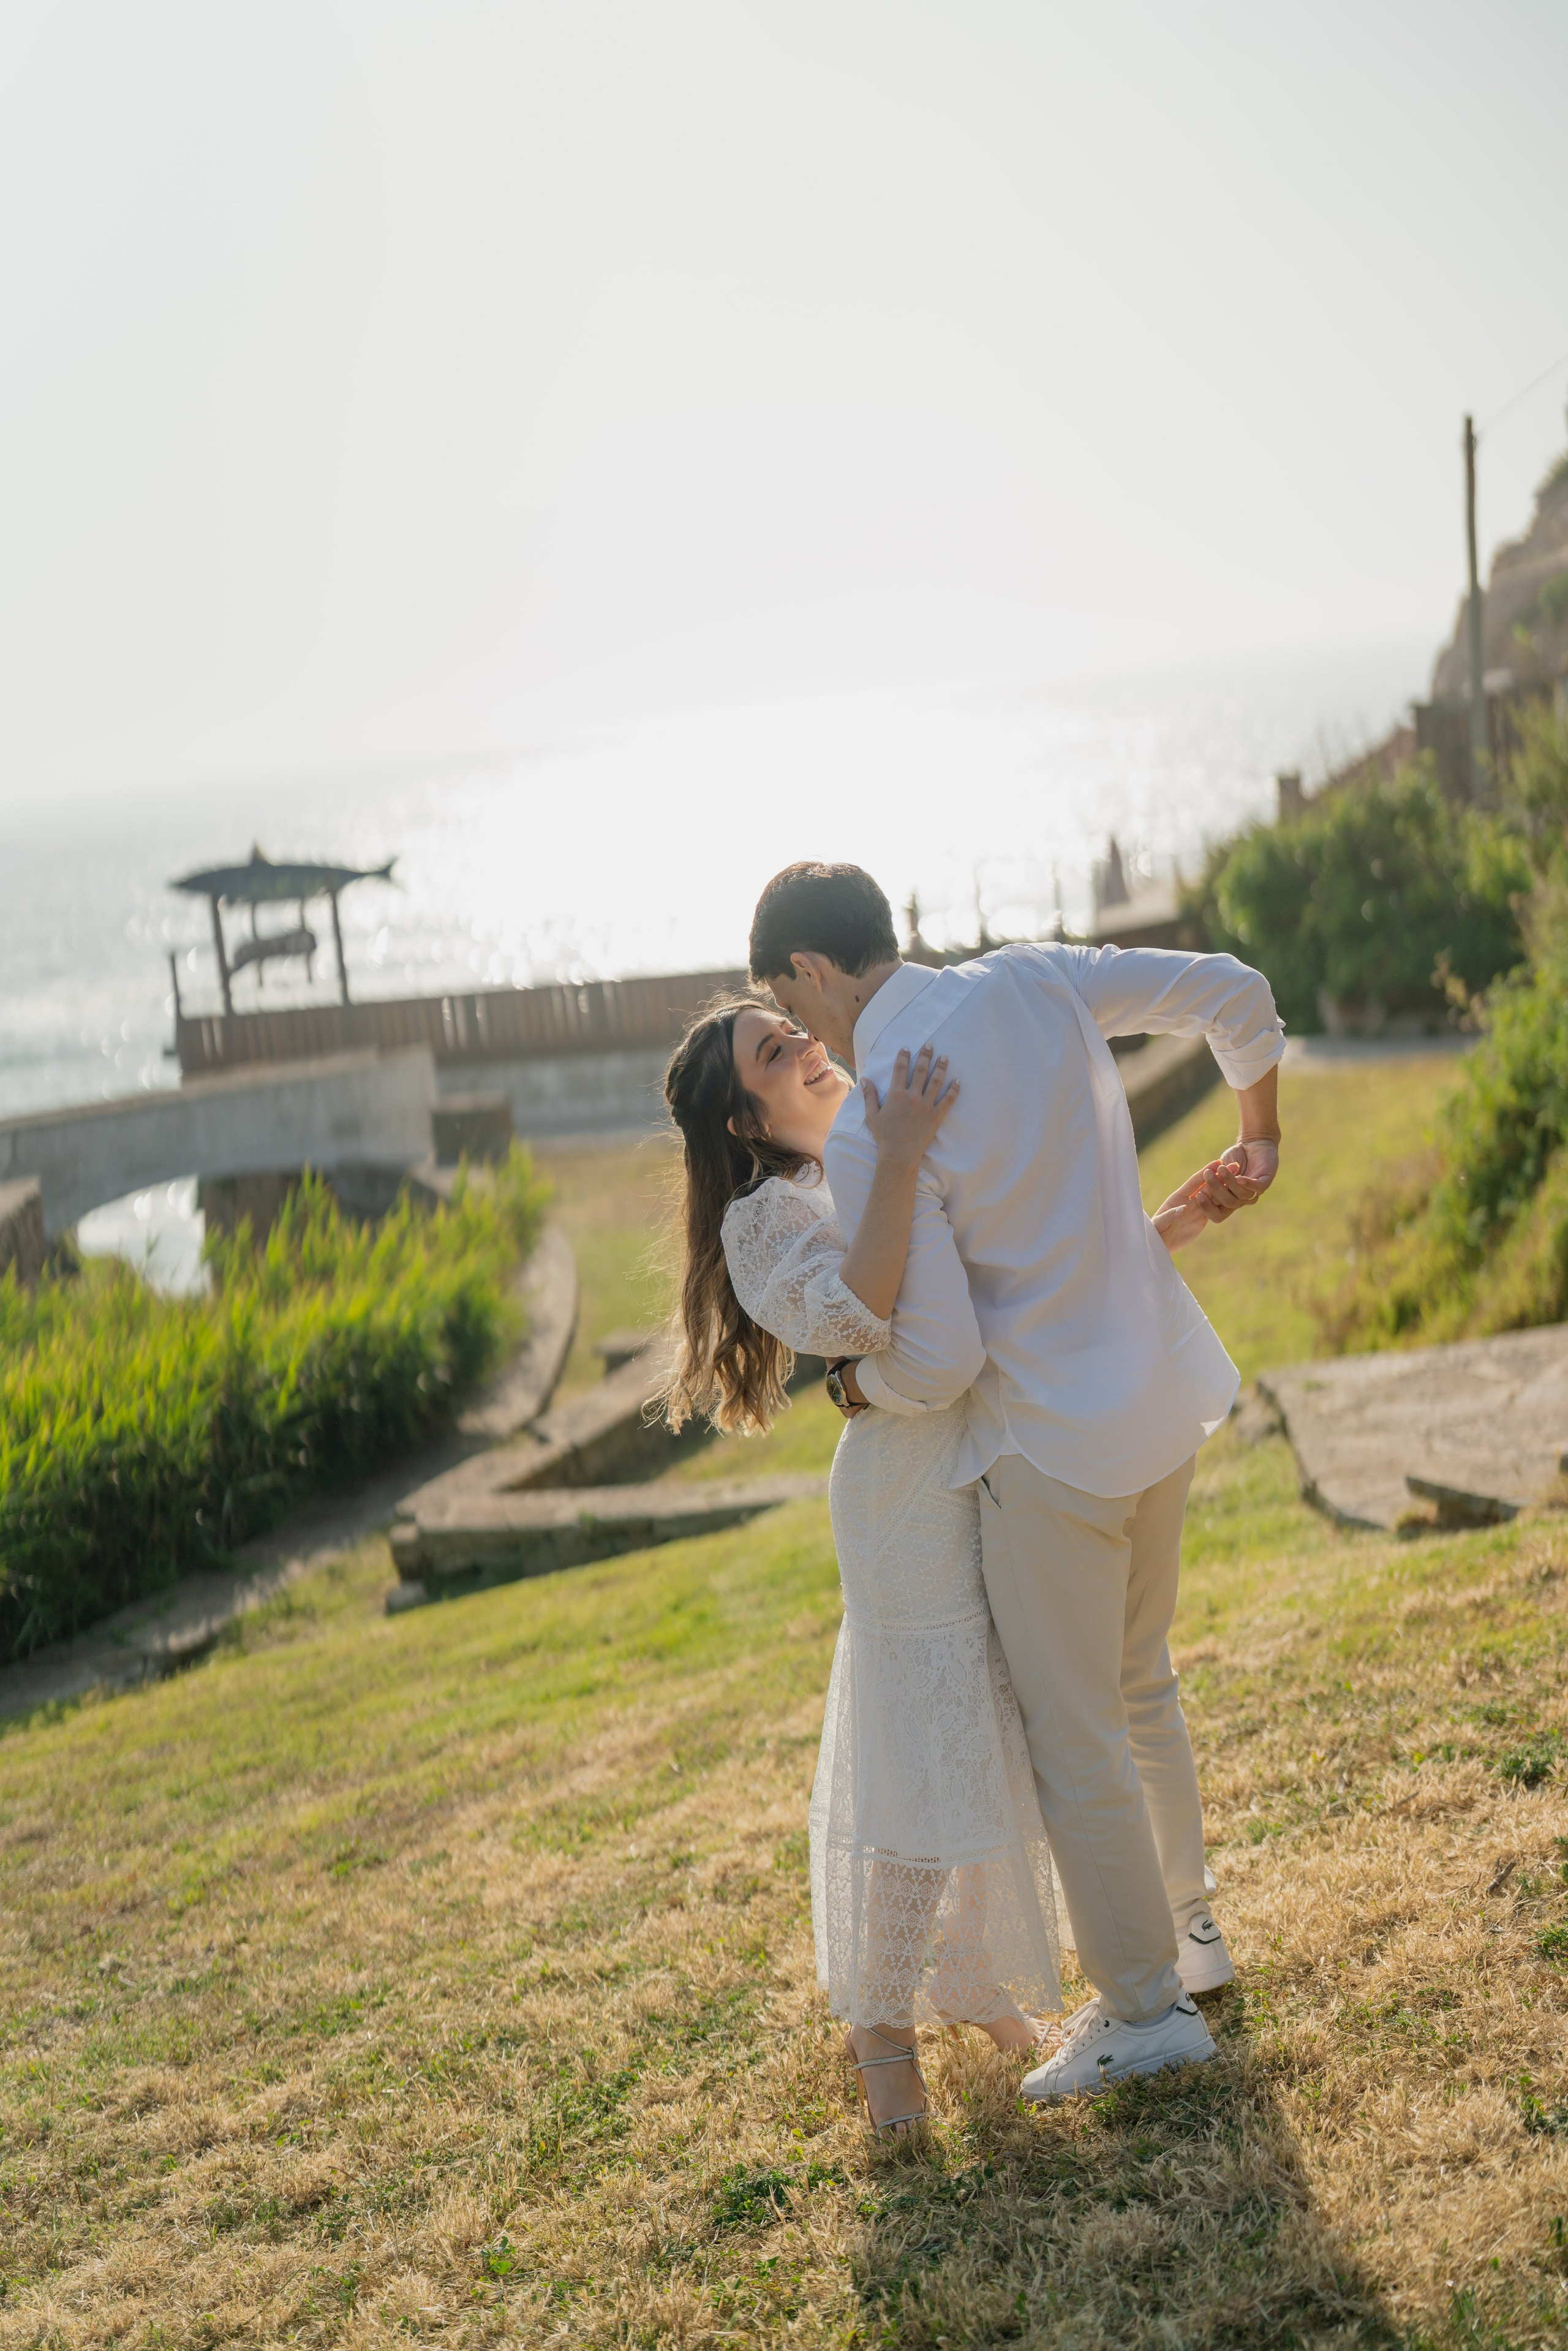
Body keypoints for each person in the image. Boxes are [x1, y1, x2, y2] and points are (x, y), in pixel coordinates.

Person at [748, 861, 1283, 2102]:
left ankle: (1144, 2008)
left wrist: (846, 1391)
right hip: (1159, 1397)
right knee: (1140, 1683)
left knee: (1076, 1733)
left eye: (789, 1000)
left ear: (811, 971)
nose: (807, 1029)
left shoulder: (892, 1107)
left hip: (1051, 1449)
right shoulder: (1035, 976)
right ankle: (1190, 1938)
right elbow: (1235, 993)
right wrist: (1258, 1138)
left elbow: (938, 1358)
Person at [661, 996, 1233, 2132]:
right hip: (902, 1499)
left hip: (982, 1462)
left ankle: (966, 1970)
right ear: (744, 1119)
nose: (808, 1044)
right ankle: (880, 2018)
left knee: (998, 1722)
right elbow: (864, 1314)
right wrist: (908, 1150)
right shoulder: (768, 1218)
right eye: (776, 1052)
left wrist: (1159, 1227)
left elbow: (998, 1285)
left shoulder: (873, 1144)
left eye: (792, 1024)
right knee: (925, 1754)